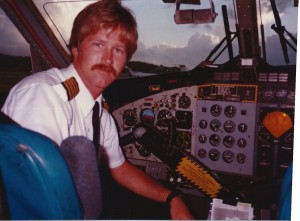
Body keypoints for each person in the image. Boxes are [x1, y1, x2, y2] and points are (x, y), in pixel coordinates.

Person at [1, 0, 194, 220]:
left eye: (118, 50)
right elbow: (36, 193)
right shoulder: (43, 95)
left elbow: (120, 168)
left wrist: (172, 198)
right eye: (99, 44)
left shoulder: (99, 113)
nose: (108, 58)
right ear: (76, 48)